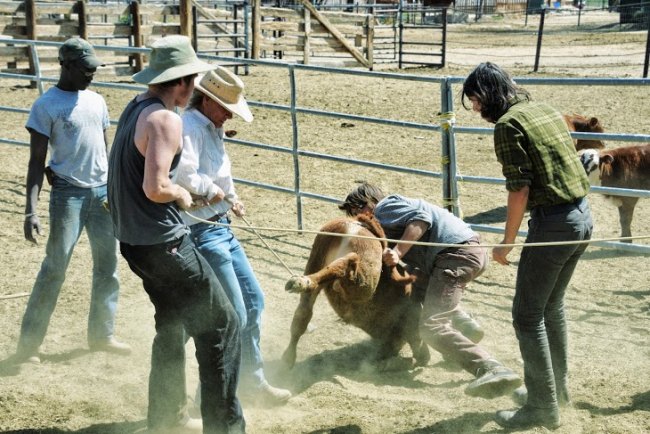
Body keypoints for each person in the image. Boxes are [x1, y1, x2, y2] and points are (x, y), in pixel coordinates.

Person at [107, 36, 245, 433]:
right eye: (194, 80)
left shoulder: (136, 108)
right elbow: (156, 187)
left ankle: (165, 420)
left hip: (135, 244)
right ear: (183, 81)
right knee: (222, 325)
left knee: (172, 326)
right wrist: (183, 192)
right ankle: (225, 428)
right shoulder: (166, 119)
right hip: (165, 242)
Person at [462, 62, 593, 430]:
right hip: (582, 219)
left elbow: (519, 188)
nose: (474, 108)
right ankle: (556, 393)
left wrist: (506, 243)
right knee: (552, 307)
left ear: (487, 94)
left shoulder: (508, 125)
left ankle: (541, 407)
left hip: (553, 225)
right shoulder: (546, 110)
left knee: (526, 315)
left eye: (473, 99)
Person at [339, 182, 522, 400]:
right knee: (413, 286)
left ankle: (491, 368)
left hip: (455, 256)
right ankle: (464, 325)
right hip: (461, 253)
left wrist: (398, 251)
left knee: (432, 327)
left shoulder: (384, 208)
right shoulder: (389, 216)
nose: (357, 219)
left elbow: (421, 219)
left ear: (368, 204)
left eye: (356, 212)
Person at [175, 67, 292, 405]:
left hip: (221, 225)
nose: (228, 115)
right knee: (233, 315)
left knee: (254, 303)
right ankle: (206, 396)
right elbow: (185, 173)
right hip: (203, 230)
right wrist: (212, 190)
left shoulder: (211, 127)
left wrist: (231, 195)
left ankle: (251, 381)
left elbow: (219, 170)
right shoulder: (189, 128)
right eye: (225, 108)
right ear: (208, 100)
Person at [15, 37, 130, 365]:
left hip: (103, 194)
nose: (90, 75)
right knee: (55, 268)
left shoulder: (97, 101)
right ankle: (29, 344)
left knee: (108, 266)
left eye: (93, 69)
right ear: (65, 66)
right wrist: (31, 210)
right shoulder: (46, 106)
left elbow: (104, 151)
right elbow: (37, 161)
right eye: (84, 69)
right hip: (68, 197)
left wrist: (115, 190)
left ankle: (102, 334)